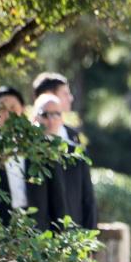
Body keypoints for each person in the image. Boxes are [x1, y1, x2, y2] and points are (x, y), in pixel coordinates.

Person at [0, 86, 66, 232]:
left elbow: (57, 198)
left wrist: (60, 234)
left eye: (13, 108)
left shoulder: (41, 147)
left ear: (23, 110)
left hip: (38, 229)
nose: (8, 114)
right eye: (1, 108)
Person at [33, 93, 97, 232]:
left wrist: (90, 239)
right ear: (35, 118)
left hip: (72, 237)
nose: (50, 120)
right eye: (45, 114)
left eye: (56, 114)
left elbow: (88, 200)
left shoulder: (77, 153)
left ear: (62, 118)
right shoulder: (26, 153)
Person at [32, 72, 81, 144]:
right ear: (48, 94)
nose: (70, 98)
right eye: (65, 94)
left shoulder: (72, 135)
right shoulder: (27, 137)